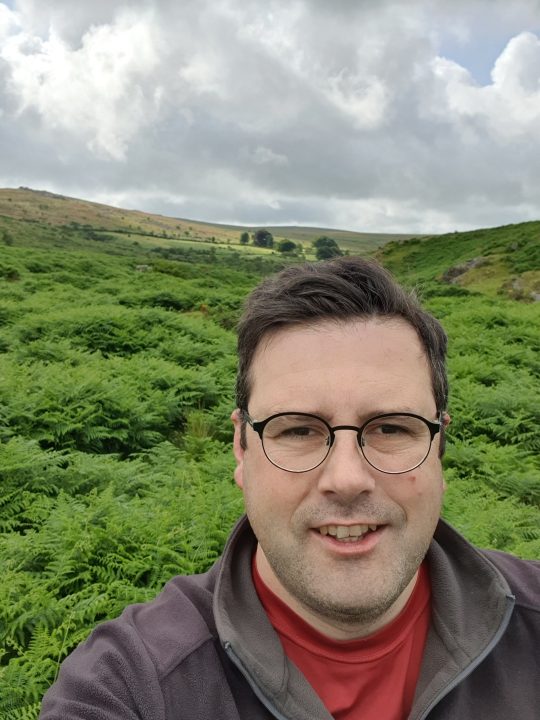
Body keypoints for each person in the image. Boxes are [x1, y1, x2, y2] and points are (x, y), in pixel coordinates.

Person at [40, 257, 539, 719]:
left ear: (439, 446)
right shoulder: (131, 685)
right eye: (298, 430)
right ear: (241, 448)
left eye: (391, 428)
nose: (347, 479)